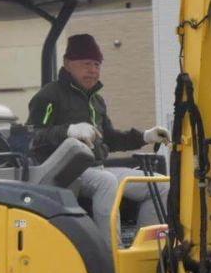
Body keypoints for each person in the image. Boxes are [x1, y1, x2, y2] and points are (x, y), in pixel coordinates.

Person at [27, 33, 169, 240]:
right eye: (86, 63)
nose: (93, 70)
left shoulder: (96, 101)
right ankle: (110, 252)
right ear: (67, 63)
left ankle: (146, 247)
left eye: (97, 64)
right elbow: (33, 136)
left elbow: (109, 139)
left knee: (160, 184)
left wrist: (145, 137)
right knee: (107, 182)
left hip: (98, 168)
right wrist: (68, 130)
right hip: (63, 173)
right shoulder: (49, 96)